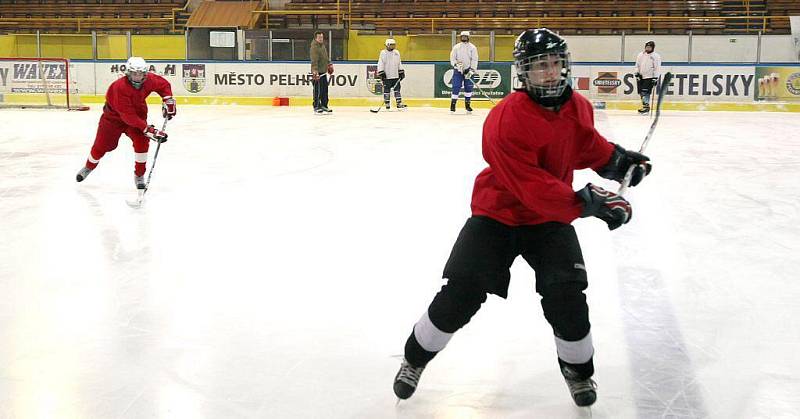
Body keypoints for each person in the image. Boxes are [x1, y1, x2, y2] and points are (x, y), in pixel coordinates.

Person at [392, 28, 653, 407]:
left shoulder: (577, 106)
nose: (549, 73)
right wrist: (588, 203)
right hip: (499, 214)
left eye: (554, 64)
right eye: (539, 66)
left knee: (567, 296)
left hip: (549, 220)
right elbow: (532, 188)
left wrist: (616, 161)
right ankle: (414, 360)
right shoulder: (505, 120)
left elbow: (583, 145)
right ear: (523, 73)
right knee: (460, 293)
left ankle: (579, 373)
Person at [75, 56, 174, 189]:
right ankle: (89, 166)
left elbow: (164, 85)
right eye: (134, 73)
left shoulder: (149, 80)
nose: (138, 77)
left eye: (141, 74)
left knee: (142, 143)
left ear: (145, 73)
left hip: (137, 114)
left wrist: (168, 100)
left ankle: (139, 175)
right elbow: (128, 116)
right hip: (113, 118)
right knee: (101, 146)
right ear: (128, 73)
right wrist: (149, 130)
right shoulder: (119, 88)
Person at [449, 30, 479, 114]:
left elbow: (474, 59)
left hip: (468, 70)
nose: (464, 38)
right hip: (458, 71)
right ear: (460, 37)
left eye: (465, 37)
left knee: (468, 87)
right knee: (456, 86)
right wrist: (456, 64)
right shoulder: (456, 47)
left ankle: (467, 105)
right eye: (462, 36)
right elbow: (452, 58)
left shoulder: (472, 47)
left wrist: (472, 69)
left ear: (468, 37)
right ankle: (453, 105)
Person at [377, 38, 407, 110]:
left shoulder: (396, 52)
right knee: (387, 90)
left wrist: (401, 71)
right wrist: (381, 72)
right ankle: (387, 104)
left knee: (397, 89)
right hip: (387, 76)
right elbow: (380, 62)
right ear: (387, 45)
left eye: (394, 45)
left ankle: (399, 103)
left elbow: (399, 62)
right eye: (391, 45)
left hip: (395, 75)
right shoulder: (383, 53)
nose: (393, 46)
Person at [634, 40, 662, 114]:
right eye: (647, 47)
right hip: (640, 76)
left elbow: (657, 68)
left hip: (649, 77)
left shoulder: (656, 56)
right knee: (641, 92)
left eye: (649, 47)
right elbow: (637, 65)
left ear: (652, 48)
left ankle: (646, 108)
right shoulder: (640, 54)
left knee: (645, 92)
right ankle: (645, 106)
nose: (648, 48)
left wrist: (655, 78)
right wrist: (636, 73)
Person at [310, 31, 333, 114]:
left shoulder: (322, 46)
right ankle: (316, 106)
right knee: (318, 90)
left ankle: (324, 105)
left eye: (322, 37)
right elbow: (314, 60)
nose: (321, 39)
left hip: (323, 71)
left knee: (324, 90)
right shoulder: (314, 47)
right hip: (318, 73)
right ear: (316, 38)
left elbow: (325, 57)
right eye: (319, 37)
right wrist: (315, 71)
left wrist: (329, 64)